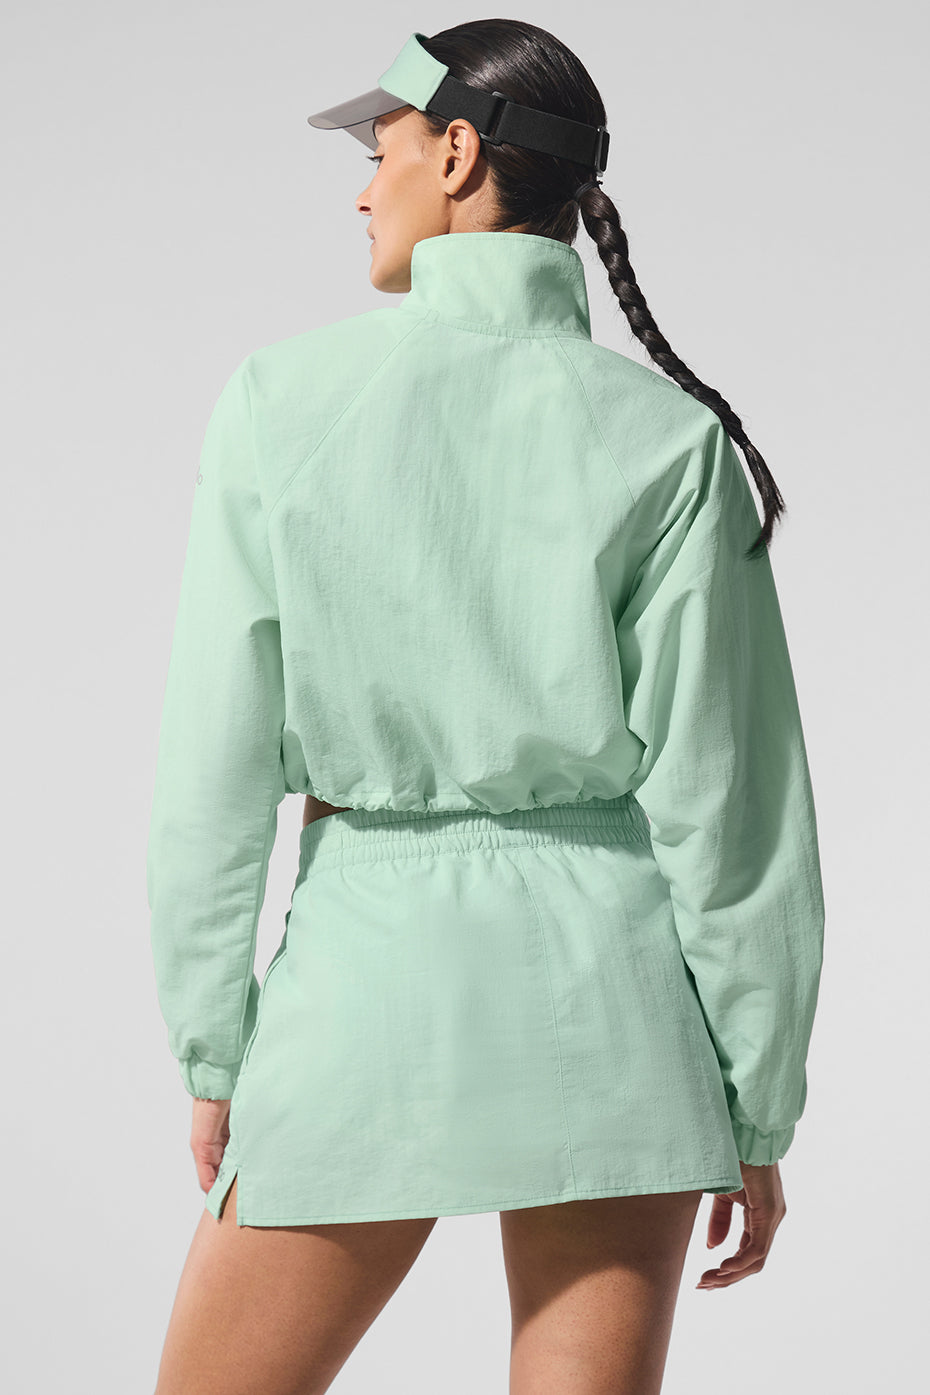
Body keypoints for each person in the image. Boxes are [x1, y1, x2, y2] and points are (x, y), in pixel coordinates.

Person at [146, 20, 825, 1395]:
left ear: (455, 152)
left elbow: (213, 770)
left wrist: (215, 1050)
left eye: (378, 150)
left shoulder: (283, 403)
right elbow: (734, 811)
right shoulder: (668, 438)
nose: (360, 191)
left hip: (365, 985)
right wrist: (755, 1105)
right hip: (615, 1009)